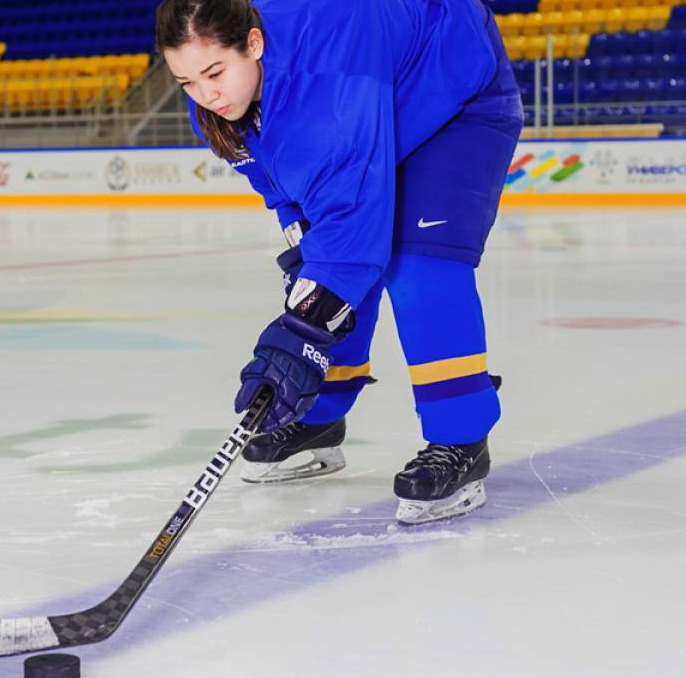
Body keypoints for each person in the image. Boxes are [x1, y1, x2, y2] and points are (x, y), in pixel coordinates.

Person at [156, 0, 523, 524]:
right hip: (372, 100)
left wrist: (301, 329)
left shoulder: (326, 65)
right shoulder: (219, 103)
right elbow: (283, 188)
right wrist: (307, 283)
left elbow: (353, 219)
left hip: (451, 96)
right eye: (186, 82)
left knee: (418, 269)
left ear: (254, 44)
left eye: (215, 73)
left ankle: (460, 439)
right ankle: (317, 417)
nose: (206, 95)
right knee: (323, 276)